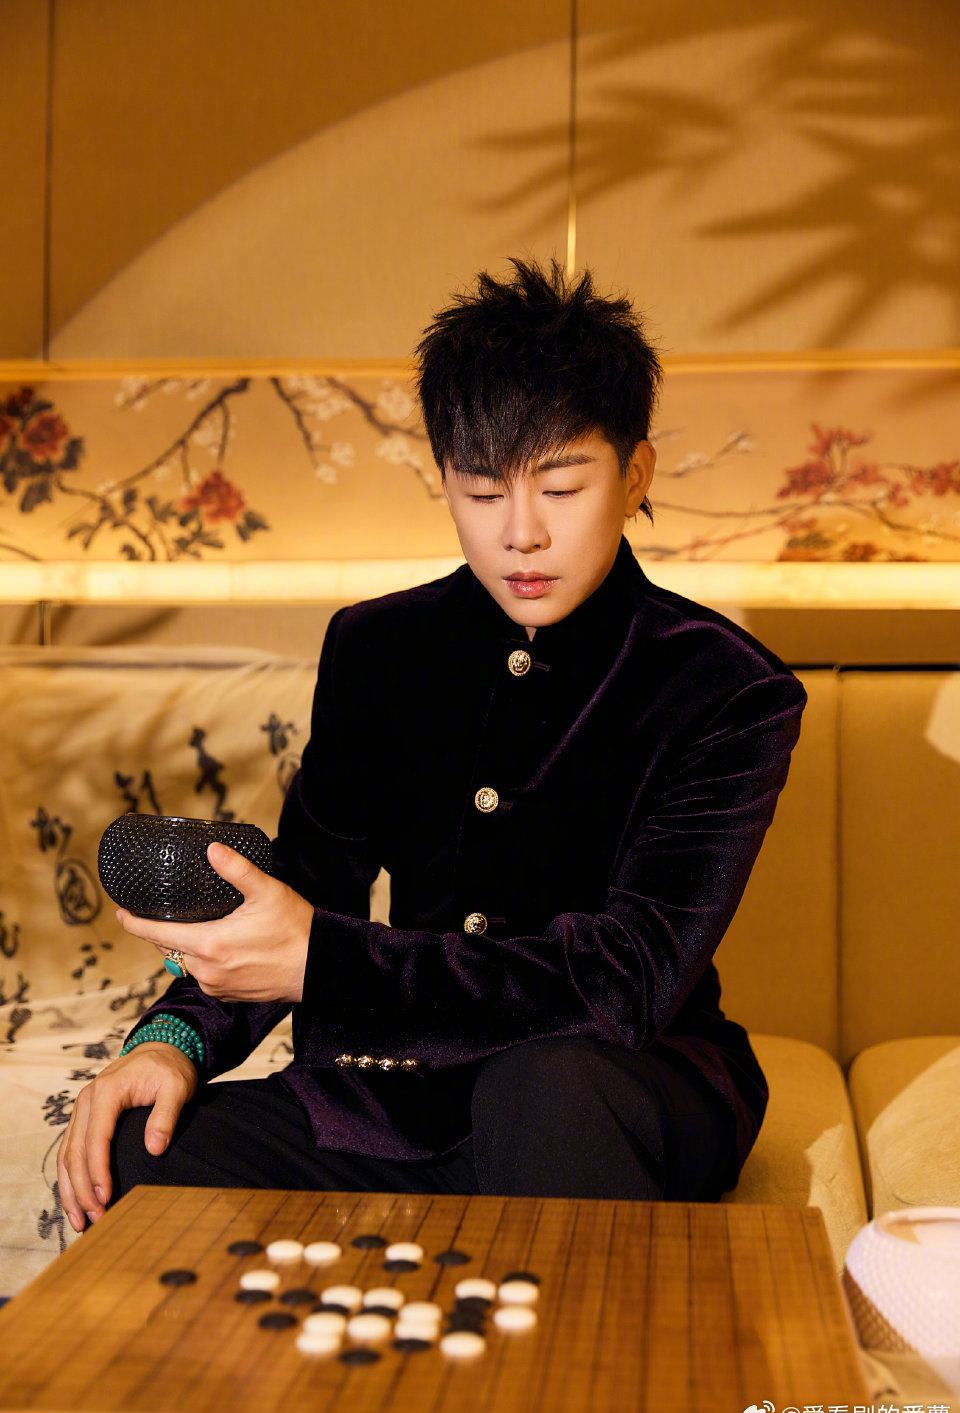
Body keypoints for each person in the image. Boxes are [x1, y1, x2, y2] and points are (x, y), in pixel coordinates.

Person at [57, 260, 806, 1232]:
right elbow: (305, 892)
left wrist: (328, 965)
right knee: (135, 1150)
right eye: (483, 493)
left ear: (635, 476)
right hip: (404, 1090)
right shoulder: (379, 648)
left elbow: (629, 977)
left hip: (623, 1077)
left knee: (547, 1094)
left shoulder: (727, 688)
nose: (522, 534)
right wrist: (173, 1041)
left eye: (562, 487)